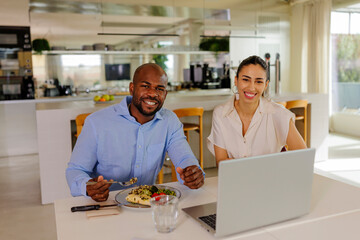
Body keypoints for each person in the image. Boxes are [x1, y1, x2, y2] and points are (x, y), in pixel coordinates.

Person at [66, 63, 204, 202]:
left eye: (159, 88)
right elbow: (76, 170)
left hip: (147, 203)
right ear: (132, 89)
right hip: (107, 203)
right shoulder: (97, 122)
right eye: (145, 86)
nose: (152, 93)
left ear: (165, 94)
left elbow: (184, 158)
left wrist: (192, 173)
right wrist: (87, 186)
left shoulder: (169, 121)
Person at [207, 55, 306, 166]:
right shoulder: (220, 113)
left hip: (270, 181)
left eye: (258, 82)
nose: (251, 87)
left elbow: (303, 157)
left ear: (266, 85)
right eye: (245, 79)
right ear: (236, 80)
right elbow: (221, 163)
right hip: (235, 182)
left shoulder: (278, 114)